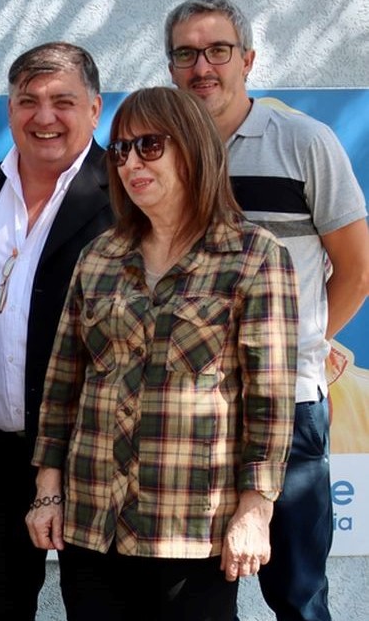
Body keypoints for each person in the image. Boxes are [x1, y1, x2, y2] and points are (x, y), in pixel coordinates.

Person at [26, 87, 300, 620]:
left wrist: (255, 509)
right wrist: (47, 488)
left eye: (149, 146)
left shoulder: (253, 256)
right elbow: (63, 383)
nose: (131, 162)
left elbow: (269, 401)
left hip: (189, 527)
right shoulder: (99, 256)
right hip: (93, 521)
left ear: (193, 149)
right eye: (120, 150)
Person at [164, 0, 369, 621]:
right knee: (193, 601)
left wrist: (306, 345)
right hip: (187, 413)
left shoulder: (304, 142)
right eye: (186, 54)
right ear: (170, 68)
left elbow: (356, 269)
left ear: (247, 60)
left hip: (287, 408)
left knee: (298, 597)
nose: (203, 66)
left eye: (218, 50)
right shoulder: (158, 151)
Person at [0, 42, 112, 621]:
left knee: (96, 608)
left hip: (89, 453)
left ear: (94, 109)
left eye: (62, 101)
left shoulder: (123, 189)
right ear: (10, 109)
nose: (44, 117)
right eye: (28, 101)